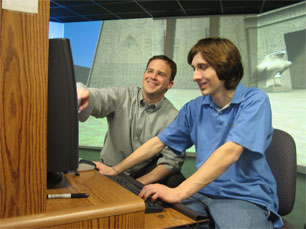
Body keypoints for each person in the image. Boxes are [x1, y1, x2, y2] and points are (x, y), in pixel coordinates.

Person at [97, 38, 282, 228]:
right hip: (201, 191)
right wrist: (115, 170)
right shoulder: (194, 108)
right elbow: (158, 143)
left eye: (202, 67)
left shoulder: (254, 100)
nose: (195, 76)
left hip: (243, 196)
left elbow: (231, 152)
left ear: (226, 66)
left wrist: (178, 192)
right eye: (194, 68)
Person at [77, 55, 185, 187]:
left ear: (170, 84)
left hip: (142, 178)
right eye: (150, 71)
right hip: (108, 171)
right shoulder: (121, 95)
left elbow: (171, 161)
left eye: (160, 74)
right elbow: (98, 97)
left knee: (176, 180)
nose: (153, 76)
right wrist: (82, 92)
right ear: (144, 74)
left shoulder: (174, 117)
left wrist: (135, 185)